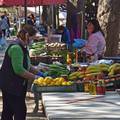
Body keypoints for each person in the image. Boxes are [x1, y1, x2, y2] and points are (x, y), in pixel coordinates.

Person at [0, 24, 41, 120]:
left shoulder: (23, 47)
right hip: (11, 85)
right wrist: (35, 78)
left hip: (15, 85)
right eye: (32, 38)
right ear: (26, 36)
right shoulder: (16, 48)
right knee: (20, 110)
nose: (32, 41)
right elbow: (19, 70)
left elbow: (27, 65)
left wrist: (39, 73)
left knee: (8, 111)